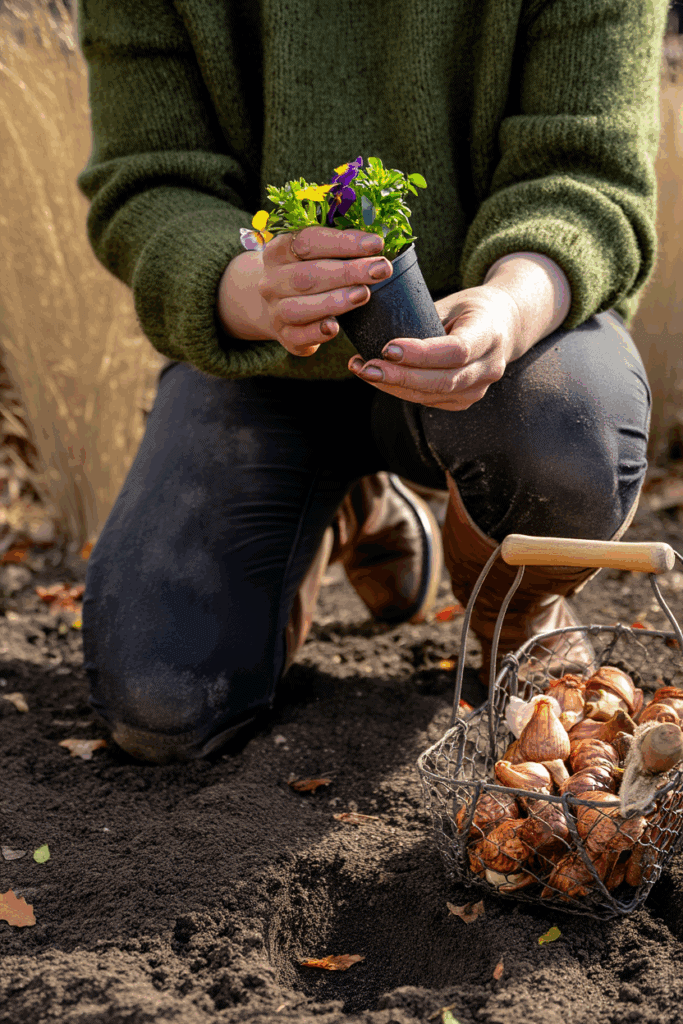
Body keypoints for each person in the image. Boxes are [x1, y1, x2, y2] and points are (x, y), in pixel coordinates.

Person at [76, 0, 666, 764]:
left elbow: (584, 173)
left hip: (506, 365)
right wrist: (254, 288)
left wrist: (507, 309)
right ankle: (354, 502)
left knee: (568, 432)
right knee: (161, 702)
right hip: (263, 364)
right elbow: (148, 182)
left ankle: (514, 615)